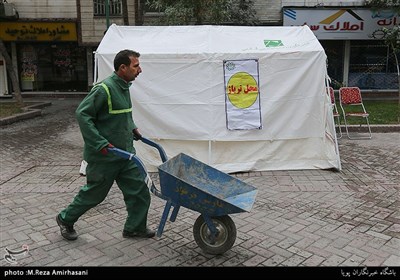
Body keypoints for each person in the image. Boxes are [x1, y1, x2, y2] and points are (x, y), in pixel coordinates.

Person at [56, 49, 155, 240]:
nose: (140, 70)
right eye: (136, 66)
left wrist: (132, 127)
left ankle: (135, 227)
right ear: (122, 67)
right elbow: (82, 114)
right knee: (94, 194)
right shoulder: (104, 89)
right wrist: (99, 142)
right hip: (104, 156)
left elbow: (122, 114)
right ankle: (65, 219)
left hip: (125, 154)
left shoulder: (124, 86)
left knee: (139, 191)